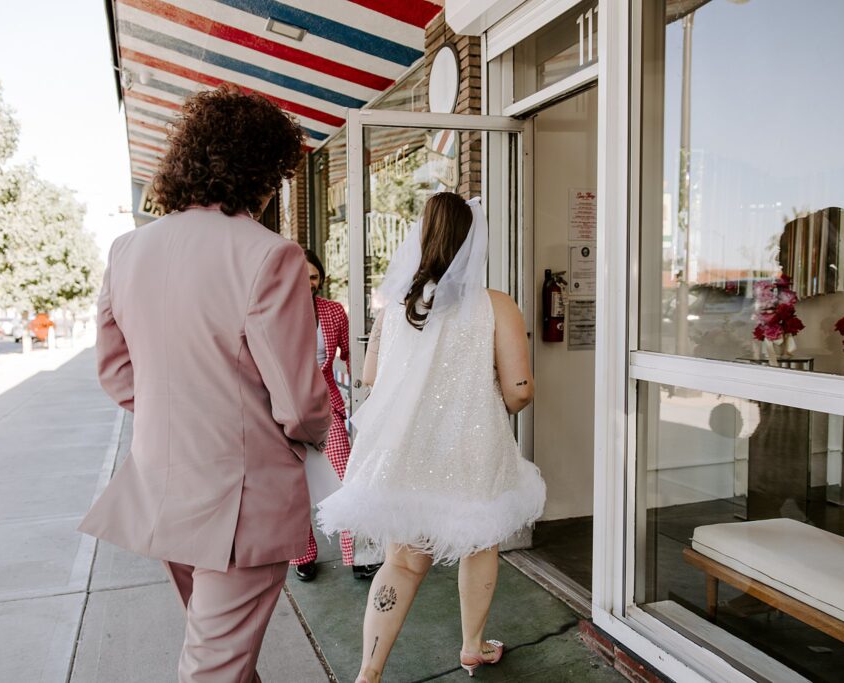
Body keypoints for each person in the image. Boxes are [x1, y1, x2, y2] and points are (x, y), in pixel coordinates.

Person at [78, 86, 330, 683]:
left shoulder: (127, 250)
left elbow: (115, 372)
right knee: (214, 665)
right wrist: (317, 434)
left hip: (163, 482)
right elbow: (298, 403)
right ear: (259, 172)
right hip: (240, 496)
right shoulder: (270, 255)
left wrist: (181, 410)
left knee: (220, 651)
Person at [317, 192, 546, 682]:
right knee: (479, 544)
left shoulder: (396, 308)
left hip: (408, 451)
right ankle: (472, 647)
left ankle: (369, 672)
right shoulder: (496, 306)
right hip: (472, 449)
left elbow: (372, 376)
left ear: (421, 237)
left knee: (401, 561)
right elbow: (520, 391)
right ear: (474, 241)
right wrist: (483, 397)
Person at [292, 250, 382, 582]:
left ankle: (358, 554)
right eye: (301, 274)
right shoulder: (273, 312)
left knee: (345, 481)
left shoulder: (332, 312)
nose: (307, 282)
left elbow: (350, 353)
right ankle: (302, 555)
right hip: (284, 411)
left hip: (327, 407)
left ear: (321, 279)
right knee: (295, 485)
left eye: (313, 276)